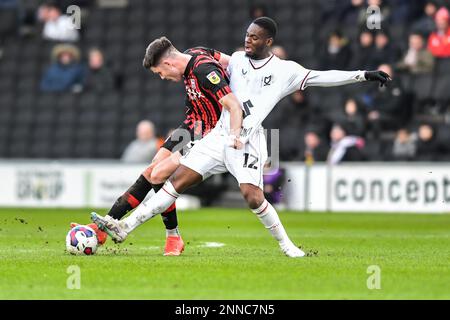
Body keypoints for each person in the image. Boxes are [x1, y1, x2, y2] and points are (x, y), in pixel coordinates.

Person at [91, 17, 390, 258]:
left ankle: (287, 245)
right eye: (247, 35)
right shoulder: (235, 60)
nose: (248, 40)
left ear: (268, 41)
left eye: (255, 37)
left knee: (252, 196)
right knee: (174, 182)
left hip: (246, 139)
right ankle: (124, 227)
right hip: (217, 136)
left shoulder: (286, 71)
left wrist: (362, 75)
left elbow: (324, 76)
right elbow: (206, 59)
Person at [85, 43, 236, 256]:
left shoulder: (203, 69)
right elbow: (233, 61)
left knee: (157, 174)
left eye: (160, 72)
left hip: (209, 133)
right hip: (192, 126)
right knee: (153, 168)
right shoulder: (196, 53)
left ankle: (171, 236)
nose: (162, 77)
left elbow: (234, 74)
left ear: (167, 62)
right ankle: (107, 226)